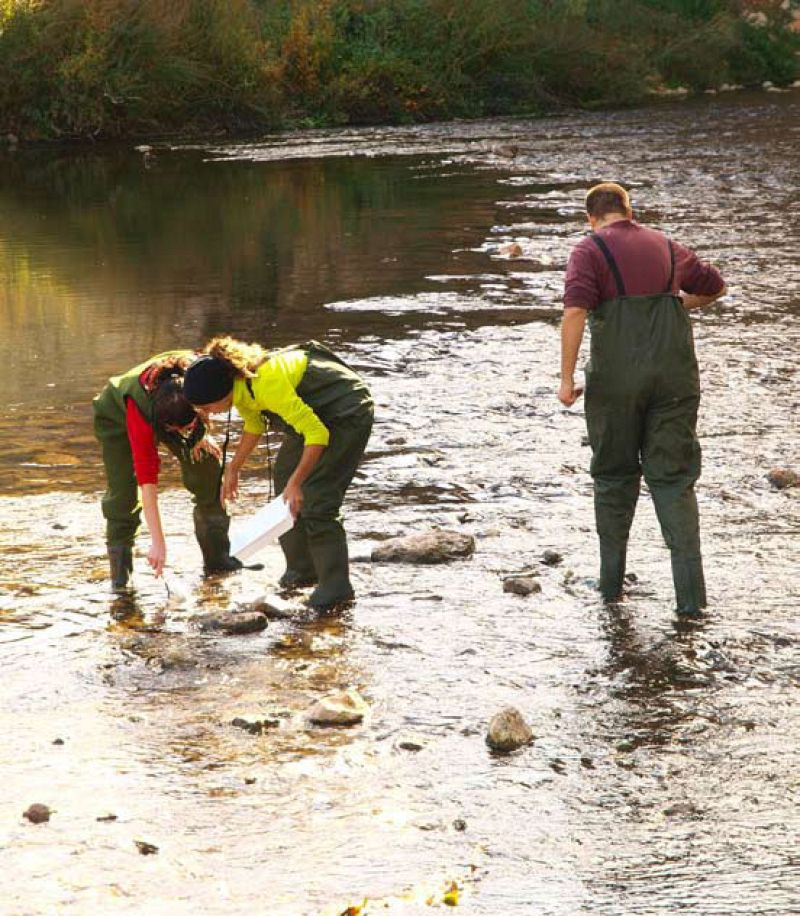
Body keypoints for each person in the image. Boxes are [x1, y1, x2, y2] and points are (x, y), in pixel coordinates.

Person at [558, 182, 726, 616]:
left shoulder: (589, 250)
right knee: (673, 480)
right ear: (629, 211)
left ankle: (611, 590)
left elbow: (575, 311)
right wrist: (678, 303)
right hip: (674, 379)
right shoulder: (668, 246)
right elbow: (714, 286)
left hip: (616, 383)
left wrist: (566, 379)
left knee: (614, 476)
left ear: (591, 218)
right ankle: (692, 604)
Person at [183, 337, 373, 610]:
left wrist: (298, 483)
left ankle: (335, 588)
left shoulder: (264, 383)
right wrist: (233, 468)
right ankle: (302, 570)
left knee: (318, 497)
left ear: (220, 394)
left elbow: (317, 434)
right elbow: (254, 423)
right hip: (313, 414)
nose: (205, 413)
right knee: (284, 480)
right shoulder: (239, 386)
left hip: (346, 410)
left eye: (206, 407)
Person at [93, 351, 244, 591]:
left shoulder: (198, 376)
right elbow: (147, 482)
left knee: (207, 467)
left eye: (189, 426)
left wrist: (201, 434)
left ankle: (218, 562)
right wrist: (158, 542)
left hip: (177, 406)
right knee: (122, 497)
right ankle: (121, 583)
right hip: (117, 417)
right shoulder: (141, 416)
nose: (184, 432)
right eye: (180, 429)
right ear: (166, 426)